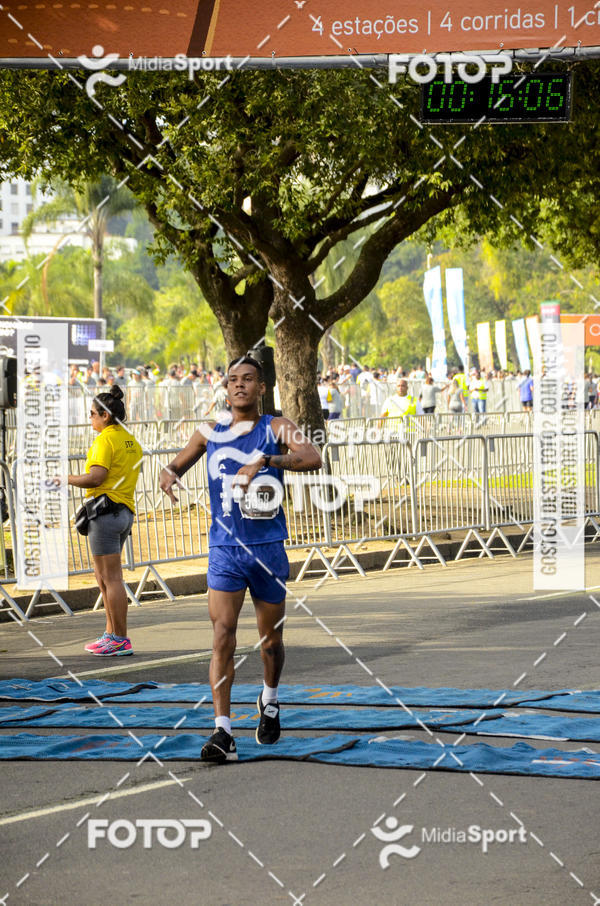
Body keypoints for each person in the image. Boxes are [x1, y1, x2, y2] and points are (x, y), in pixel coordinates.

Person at [159, 356, 322, 763]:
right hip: (225, 550)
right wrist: (168, 473)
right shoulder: (209, 432)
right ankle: (223, 732)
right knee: (221, 636)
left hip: (267, 550)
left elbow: (313, 457)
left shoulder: (276, 427)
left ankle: (269, 698)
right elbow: (175, 463)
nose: (239, 386)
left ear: (261, 387)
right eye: (233, 380)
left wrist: (266, 460)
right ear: (225, 387)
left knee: (271, 643)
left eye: (248, 379)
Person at [68, 386, 142, 656]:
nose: (90, 419)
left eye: (92, 415)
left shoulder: (104, 440)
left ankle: (120, 638)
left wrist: (66, 478)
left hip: (105, 513)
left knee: (110, 579)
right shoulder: (130, 439)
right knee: (104, 578)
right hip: (124, 512)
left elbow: (96, 478)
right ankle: (111, 634)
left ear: (105, 416)